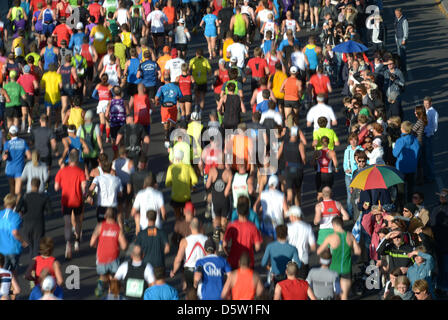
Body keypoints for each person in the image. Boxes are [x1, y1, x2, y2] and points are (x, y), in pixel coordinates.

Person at [317, 216, 361, 300]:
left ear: (333, 225)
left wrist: (328, 254)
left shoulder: (331, 237)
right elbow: (358, 251)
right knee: (344, 296)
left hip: (333, 269)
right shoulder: (350, 236)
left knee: (334, 295)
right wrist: (352, 259)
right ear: (342, 224)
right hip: (346, 268)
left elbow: (319, 251)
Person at [54, 149, 87, 260]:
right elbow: (84, 187)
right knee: (77, 221)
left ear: (69, 160)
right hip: (77, 200)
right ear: (77, 160)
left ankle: (68, 244)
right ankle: (77, 240)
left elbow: (56, 187)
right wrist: (85, 194)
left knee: (67, 223)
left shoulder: (62, 171)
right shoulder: (80, 172)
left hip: (66, 201)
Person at [90, 207, 128, 297]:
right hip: (113, 257)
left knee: (103, 275)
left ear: (105, 216)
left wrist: (97, 245)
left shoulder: (100, 226)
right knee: (114, 278)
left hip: (102, 256)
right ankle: (111, 295)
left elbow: (91, 243)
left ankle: (100, 285)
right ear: (115, 217)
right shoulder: (117, 228)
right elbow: (124, 246)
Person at [16, 178, 52, 261]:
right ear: (39, 186)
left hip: (27, 225)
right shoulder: (43, 197)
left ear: (30, 185)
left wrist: (23, 211)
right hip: (38, 225)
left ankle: (32, 265)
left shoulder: (25, 197)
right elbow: (50, 212)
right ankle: (34, 266)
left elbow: (17, 209)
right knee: (37, 247)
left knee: (31, 247)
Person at [223, 195, 263, 270]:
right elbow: (258, 247)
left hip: (234, 260)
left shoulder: (231, 225)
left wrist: (227, 252)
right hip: (248, 261)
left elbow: (224, 244)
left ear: (237, 211)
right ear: (248, 212)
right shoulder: (253, 227)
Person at [170, 218, 208, 291]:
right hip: (203, 269)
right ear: (200, 226)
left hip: (189, 270)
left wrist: (174, 271)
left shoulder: (185, 241)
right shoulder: (206, 239)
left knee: (190, 293)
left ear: (190, 227)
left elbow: (178, 259)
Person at [262, 225, 300, 294]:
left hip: (275, 277)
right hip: (287, 277)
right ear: (287, 234)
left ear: (276, 234)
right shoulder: (293, 248)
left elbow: (263, 263)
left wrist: (269, 266)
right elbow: (298, 265)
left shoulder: (270, 246)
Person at [165, 149, 198, 220]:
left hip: (175, 196)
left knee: (177, 215)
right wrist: (190, 184)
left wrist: (174, 182)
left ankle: (178, 226)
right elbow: (195, 180)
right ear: (182, 157)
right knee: (187, 215)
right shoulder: (188, 167)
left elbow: (167, 183)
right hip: (186, 196)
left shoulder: (171, 168)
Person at [393, 121, 420, 204]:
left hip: (401, 167)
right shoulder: (415, 140)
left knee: (401, 190)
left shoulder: (400, 141)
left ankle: (401, 207)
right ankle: (410, 206)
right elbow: (418, 153)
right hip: (412, 167)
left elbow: (395, 154)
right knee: (410, 188)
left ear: (403, 129)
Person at [254, 175, 288, 240]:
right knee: (278, 246)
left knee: (267, 246)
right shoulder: (282, 195)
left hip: (266, 222)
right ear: (277, 184)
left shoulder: (262, 194)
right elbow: (286, 212)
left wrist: (258, 215)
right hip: (278, 224)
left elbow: (255, 207)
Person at [286, 206, 316, 279]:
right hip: (303, 260)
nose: (289, 218)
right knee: (302, 284)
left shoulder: (287, 227)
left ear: (294, 216)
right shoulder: (308, 227)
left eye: (290, 216)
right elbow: (313, 247)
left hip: (290, 261)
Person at [0, 194, 27, 273]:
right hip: (13, 248)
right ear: (15, 204)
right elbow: (15, 232)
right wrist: (23, 242)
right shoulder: (16, 216)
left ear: (5, 203)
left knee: (3, 272)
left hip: (1, 248)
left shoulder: (0, 214)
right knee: (13, 273)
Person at [2, 125, 31, 196]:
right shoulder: (23, 142)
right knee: (18, 192)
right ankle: (16, 206)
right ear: (17, 133)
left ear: (10, 134)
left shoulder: (7, 144)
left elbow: (4, 156)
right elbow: (29, 156)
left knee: (12, 188)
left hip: (9, 170)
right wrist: (22, 156)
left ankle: (12, 205)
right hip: (19, 169)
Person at [422, 96, 438, 183]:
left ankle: (431, 176)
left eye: (427, 104)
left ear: (430, 103)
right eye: (424, 104)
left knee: (429, 158)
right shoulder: (425, 110)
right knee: (424, 157)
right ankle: (425, 174)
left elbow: (435, 127)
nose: (425, 105)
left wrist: (428, 133)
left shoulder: (434, 112)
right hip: (423, 135)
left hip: (428, 136)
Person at [394, 8, 408, 73]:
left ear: (400, 13)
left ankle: (404, 69)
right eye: (395, 13)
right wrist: (396, 38)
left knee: (402, 55)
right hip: (397, 38)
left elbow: (406, 30)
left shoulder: (404, 20)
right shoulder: (396, 19)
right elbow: (396, 29)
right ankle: (400, 67)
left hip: (402, 38)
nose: (396, 14)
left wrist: (404, 39)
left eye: (397, 13)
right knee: (399, 54)